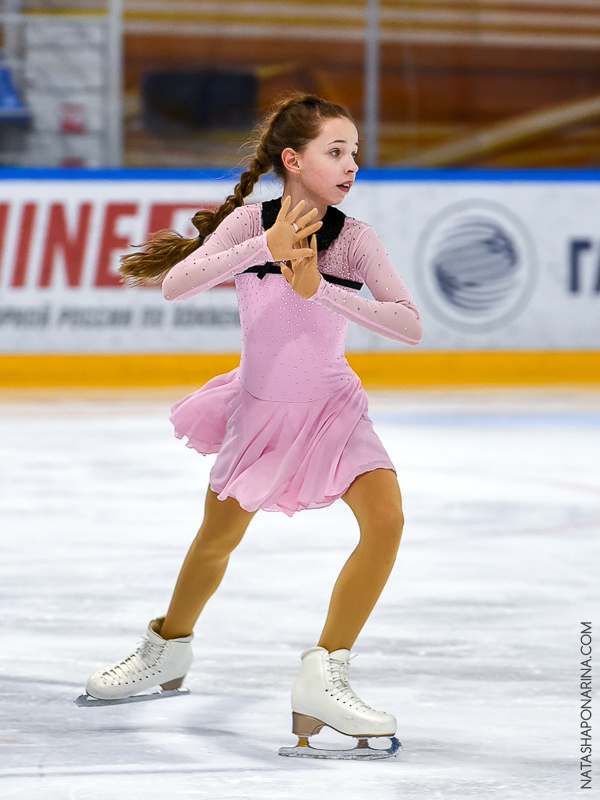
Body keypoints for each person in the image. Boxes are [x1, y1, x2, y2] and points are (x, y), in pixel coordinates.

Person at [84, 93, 422, 755]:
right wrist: (261, 248)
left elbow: (409, 325)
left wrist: (317, 287)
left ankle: (325, 672)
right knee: (216, 542)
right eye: (336, 151)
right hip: (261, 412)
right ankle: (167, 648)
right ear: (294, 161)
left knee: (386, 520)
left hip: (332, 408)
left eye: (354, 151)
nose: (352, 163)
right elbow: (176, 285)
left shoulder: (353, 241)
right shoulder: (248, 225)